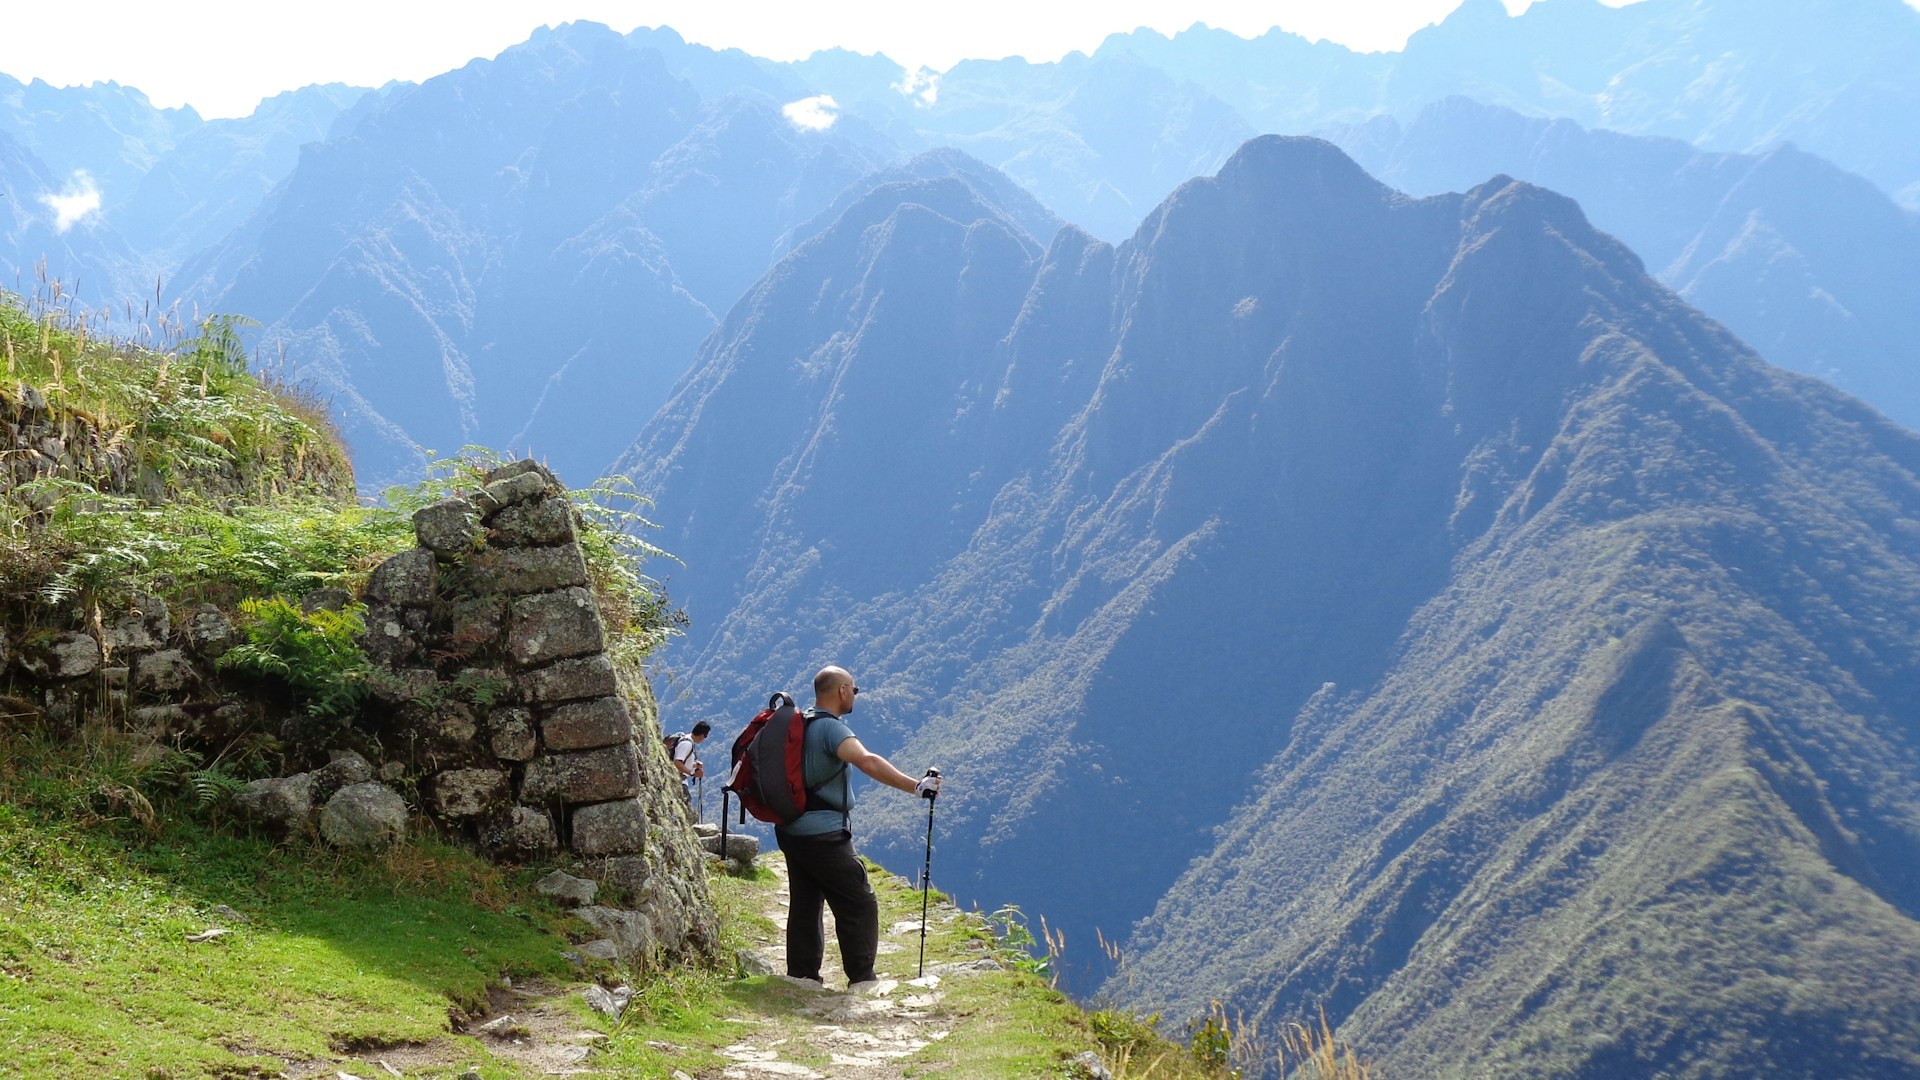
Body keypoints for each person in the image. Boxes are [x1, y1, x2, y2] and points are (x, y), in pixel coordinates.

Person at [777, 665, 939, 991]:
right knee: (859, 902)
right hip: (824, 834)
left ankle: (802, 976)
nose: (855, 694)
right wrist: (916, 786)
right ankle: (863, 978)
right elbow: (867, 761)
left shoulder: (799, 722)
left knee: (806, 901)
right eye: (854, 688)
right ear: (841, 691)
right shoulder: (831, 729)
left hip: (791, 830)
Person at [670, 721, 710, 814]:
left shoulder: (687, 739)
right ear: (702, 735)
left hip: (679, 779)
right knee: (686, 808)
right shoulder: (687, 744)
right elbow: (677, 763)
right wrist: (693, 773)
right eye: (706, 736)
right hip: (679, 780)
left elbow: (681, 760)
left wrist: (694, 765)